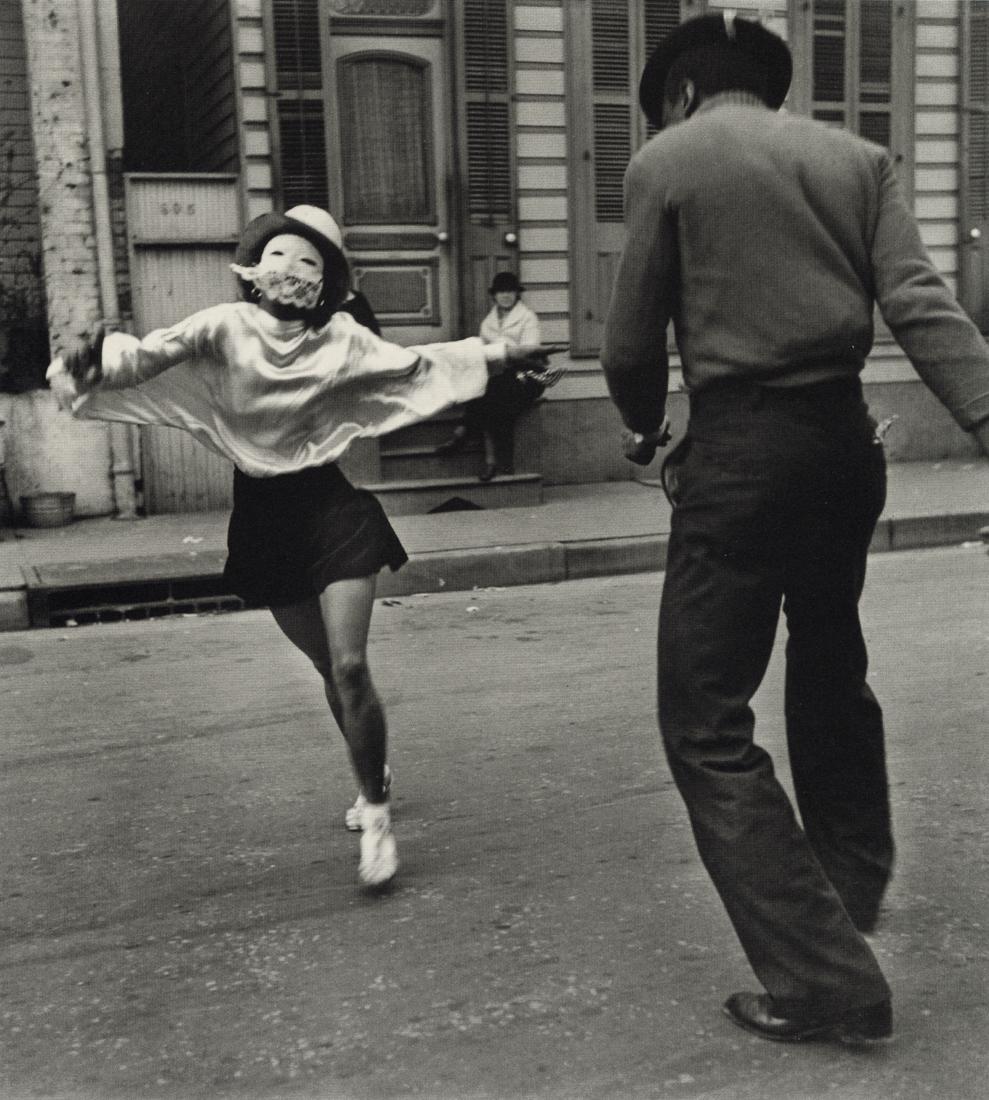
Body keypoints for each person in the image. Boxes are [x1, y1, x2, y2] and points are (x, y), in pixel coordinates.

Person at [601, 13, 989, 1044]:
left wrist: (646, 431)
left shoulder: (667, 160)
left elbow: (630, 340)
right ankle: (849, 882)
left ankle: (825, 977)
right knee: (828, 655)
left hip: (739, 448)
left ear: (679, 94)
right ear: (764, 88)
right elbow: (919, 304)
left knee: (704, 718)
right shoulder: (856, 159)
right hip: (842, 445)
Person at [47, 205, 551, 891]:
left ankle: (375, 815)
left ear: (327, 283)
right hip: (263, 517)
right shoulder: (222, 327)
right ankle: (370, 764)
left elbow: (412, 365)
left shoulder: (341, 337)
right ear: (255, 271)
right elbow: (147, 356)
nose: (292, 270)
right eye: (281, 256)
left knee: (349, 667)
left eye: (311, 262)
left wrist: (497, 356)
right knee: (323, 666)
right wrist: (91, 363)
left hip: (330, 505)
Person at [437, 272, 556, 481]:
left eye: (510, 291)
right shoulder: (488, 322)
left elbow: (530, 353)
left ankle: (464, 432)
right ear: (494, 296)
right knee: (487, 394)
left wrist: (503, 354)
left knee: (490, 393)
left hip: (529, 375)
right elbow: (484, 354)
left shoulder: (527, 318)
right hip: (500, 376)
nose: (506, 296)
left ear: (517, 295)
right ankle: (490, 461)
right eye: (501, 292)